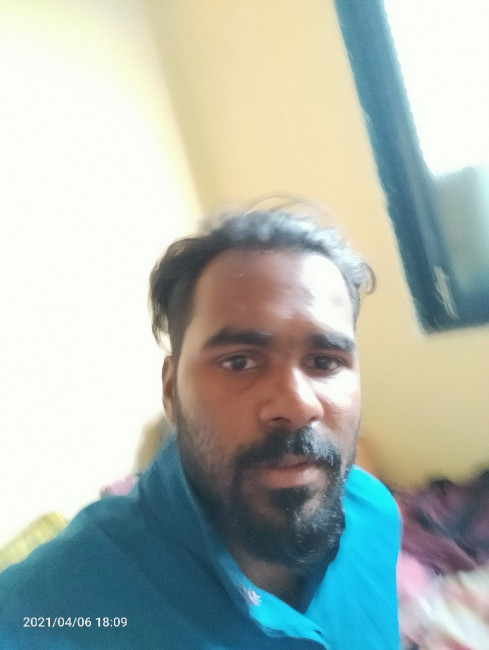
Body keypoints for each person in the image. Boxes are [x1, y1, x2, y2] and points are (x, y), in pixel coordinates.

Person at [0, 204, 400, 649]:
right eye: (239, 361)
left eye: (325, 362)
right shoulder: (43, 610)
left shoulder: (376, 515)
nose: (297, 404)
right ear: (171, 390)